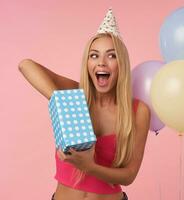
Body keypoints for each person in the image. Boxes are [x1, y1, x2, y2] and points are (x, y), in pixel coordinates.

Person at [18, 8, 150, 200]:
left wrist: (89, 167)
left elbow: (129, 175)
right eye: (94, 55)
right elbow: (25, 65)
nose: (101, 63)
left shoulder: (138, 111)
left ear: (121, 64)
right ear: (87, 63)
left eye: (111, 55)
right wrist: (64, 105)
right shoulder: (76, 95)